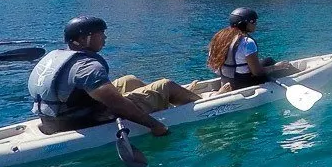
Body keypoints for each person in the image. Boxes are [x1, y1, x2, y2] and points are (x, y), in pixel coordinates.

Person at [28, 16, 202, 135]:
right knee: (166, 85)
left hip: (54, 119)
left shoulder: (56, 57)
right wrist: (155, 125)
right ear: (83, 39)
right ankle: (200, 102)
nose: (105, 37)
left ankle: (161, 103)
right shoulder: (88, 67)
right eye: (100, 34)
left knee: (129, 80)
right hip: (82, 121)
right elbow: (117, 105)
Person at [206, 8, 291, 91]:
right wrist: (275, 67)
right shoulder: (247, 42)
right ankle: (295, 79)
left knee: (267, 61)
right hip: (243, 84)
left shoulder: (219, 38)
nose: (255, 24)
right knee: (272, 63)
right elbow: (257, 73)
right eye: (253, 21)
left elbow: (215, 67)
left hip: (226, 80)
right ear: (243, 24)